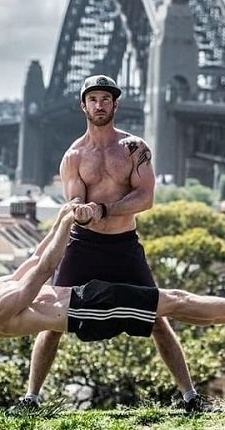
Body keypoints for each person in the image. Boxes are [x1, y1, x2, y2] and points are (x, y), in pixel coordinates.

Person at [0, 208, 225, 409]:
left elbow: (34, 258)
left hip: (88, 299)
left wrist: (64, 215)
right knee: (173, 300)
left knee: (170, 306)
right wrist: (69, 223)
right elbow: (46, 269)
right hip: (88, 310)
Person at [34, 74, 212, 412]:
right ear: (83, 105)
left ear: (116, 104)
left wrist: (104, 209)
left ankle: (190, 396)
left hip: (124, 246)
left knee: (158, 317)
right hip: (83, 245)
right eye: (93, 99)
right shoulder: (73, 156)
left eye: (106, 98)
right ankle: (31, 397)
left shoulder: (135, 148)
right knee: (50, 319)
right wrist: (81, 211)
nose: (99, 105)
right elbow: (75, 203)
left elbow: (145, 198)